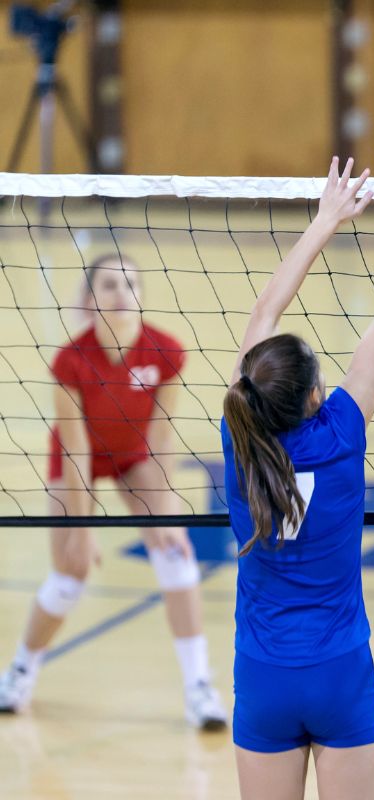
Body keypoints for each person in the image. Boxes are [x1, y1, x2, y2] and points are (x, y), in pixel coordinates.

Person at [222, 141, 374, 799]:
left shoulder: (241, 434)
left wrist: (323, 220)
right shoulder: (342, 433)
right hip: (339, 671)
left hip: (264, 675)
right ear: (317, 394)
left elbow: (263, 316)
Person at [0, 254, 226, 729]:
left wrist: (165, 512)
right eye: (109, 286)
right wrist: (81, 531)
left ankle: (199, 687)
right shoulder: (70, 361)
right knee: (70, 573)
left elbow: (162, 438)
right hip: (76, 460)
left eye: (131, 285)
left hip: (131, 457)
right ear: (89, 302)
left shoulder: (165, 352)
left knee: (175, 553)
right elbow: (77, 451)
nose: (122, 294)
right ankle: (21, 670)